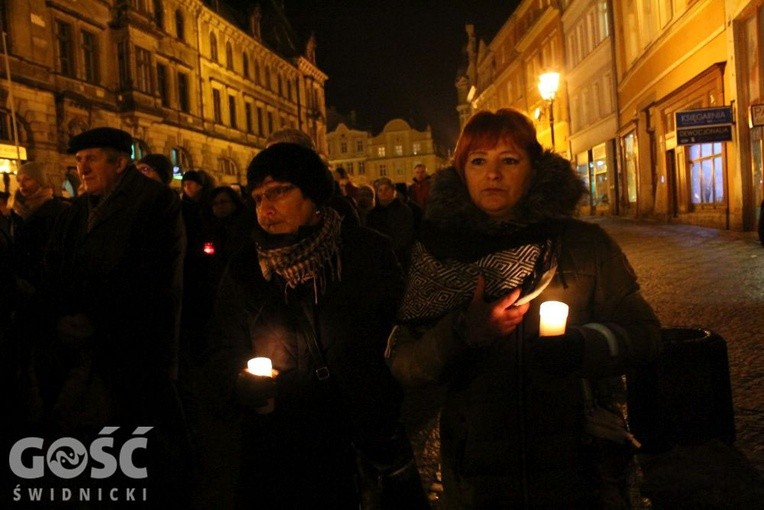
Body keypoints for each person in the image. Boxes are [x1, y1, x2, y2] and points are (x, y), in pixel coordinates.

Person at [387, 108, 662, 508]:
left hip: (574, 466)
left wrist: (582, 346)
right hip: (478, 476)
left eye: (509, 161)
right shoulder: (437, 256)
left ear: (534, 169)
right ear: (461, 172)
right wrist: (462, 332)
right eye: (478, 161)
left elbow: (646, 335)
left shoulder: (585, 245)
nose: (492, 174)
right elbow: (404, 364)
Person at [201, 143, 426, 509]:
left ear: (313, 194)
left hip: (359, 434)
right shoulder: (245, 268)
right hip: (280, 439)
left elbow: (404, 332)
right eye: (257, 197)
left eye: (279, 192)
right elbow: (222, 346)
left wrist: (380, 400)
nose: (266, 207)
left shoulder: (364, 251)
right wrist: (240, 384)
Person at [34, 127, 188, 504]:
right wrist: (59, 316)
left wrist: (96, 323)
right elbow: (55, 265)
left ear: (120, 163)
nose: (81, 168)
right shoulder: (80, 209)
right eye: (78, 160)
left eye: (91, 159)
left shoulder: (155, 203)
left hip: (132, 344)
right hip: (80, 344)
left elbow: (152, 280)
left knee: (137, 436)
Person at [9, 161, 69, 292]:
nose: (22, 184)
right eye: (19, 180)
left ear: (40, 181)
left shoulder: (58, 210)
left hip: (48, 283)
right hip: (22, 283)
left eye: (27, 179)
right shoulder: (15, 211)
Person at [366, 177, 415, 270]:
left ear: (393, 191)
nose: (383, 192)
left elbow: (406, 234)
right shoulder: (372, 214)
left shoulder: (404, 210)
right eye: (380, 190)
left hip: (399, 257)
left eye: (386, 189)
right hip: (378, 258)